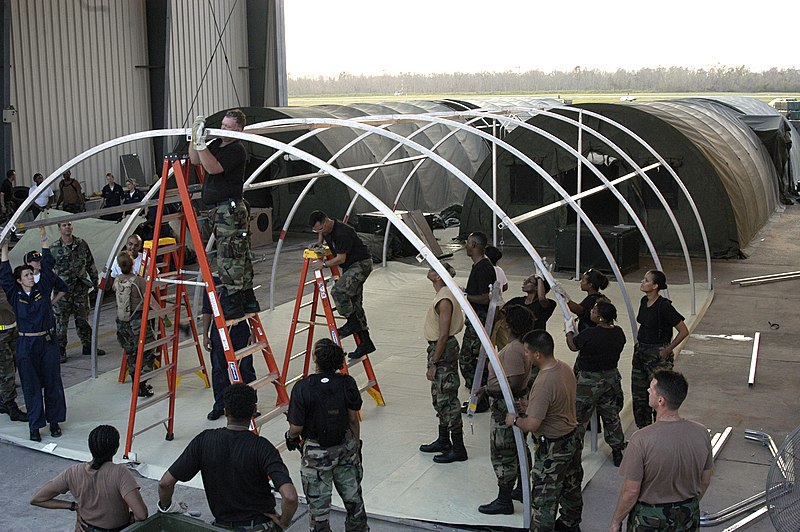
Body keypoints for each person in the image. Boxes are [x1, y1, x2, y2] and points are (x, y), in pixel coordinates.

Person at [159, 383, 298, 530]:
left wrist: (167, 507)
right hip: (259, 525)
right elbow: (290, 497)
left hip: (222, 527)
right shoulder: (263, 447)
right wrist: (284, 522)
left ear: (225, 411)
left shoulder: (204, 440)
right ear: (254, 411)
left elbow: (165, 483)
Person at [609, 370, 713, 531]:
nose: (648, 391)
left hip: (650, 520)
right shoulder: (701, 433)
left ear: (660, 400)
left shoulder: (641, 440)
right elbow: (705, 480)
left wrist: (616, 521)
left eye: (651, 389)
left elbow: (631, 491)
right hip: (688, 516)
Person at [286, 339, 368, 532]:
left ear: (316, 359)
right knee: (354, 502)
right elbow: (353, 420)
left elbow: (296, 428)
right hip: (345, 448)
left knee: (319, 510)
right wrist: (355, 445)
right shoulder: (347, 383)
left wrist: (290, 437)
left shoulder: (303, 387)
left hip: (316, 455)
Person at [505, 330, 583, 532]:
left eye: (527, 352)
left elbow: (532, 425)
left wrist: (515, 420)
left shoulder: (543, 382)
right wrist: (531, 407)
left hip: (553, 447)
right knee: (571, 486)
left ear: (537, 355)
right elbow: (558, 403)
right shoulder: (564, 368)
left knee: (544, 498)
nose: (525, 356)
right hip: (572, 438)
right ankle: (570, 524)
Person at [0, 227, 67, 441]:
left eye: (31, 274)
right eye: (27, 275)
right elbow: (4, 272)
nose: (31, 276)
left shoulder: (42, 288)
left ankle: (54, 421)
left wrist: (44, 236)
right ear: (19, 280)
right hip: (26, 345)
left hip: (47, 341)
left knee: (52, 382)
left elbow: (47, 265)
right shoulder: (14, 293)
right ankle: (35, 425)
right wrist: (4, 249)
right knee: (31, 386)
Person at [189, 109, 257, 319]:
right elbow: (195, 160)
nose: (224, 129)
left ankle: (234, 306)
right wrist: (195, 140)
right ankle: (242, 300)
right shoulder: (216, 144)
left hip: (229, 210)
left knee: (230, 258)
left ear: (239, 130)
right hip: (218, 211)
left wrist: (201, 146)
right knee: (231, 256)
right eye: (223, 125)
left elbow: (213, 168)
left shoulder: (236, 149)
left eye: (229, 127)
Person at [31, 424, 148, 531]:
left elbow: (38, 499)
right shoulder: (120, 473)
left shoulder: (73, 472)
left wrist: (74, 506)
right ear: (116, 449)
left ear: (90, 447)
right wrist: (131, 518)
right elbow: (141, 514)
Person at [478, 305, 534, 515]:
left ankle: (504, 499)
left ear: (509, 325)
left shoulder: (513, 350)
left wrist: (489, 388)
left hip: (505, 405)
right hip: (509, 401)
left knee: (503, 450)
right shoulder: (520, 346)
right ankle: (521, 488)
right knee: (517, 446)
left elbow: (514, 381)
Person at [566, 299, 627, 466]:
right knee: (611, 416)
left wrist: (569, 331)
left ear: (600, 317)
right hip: (611, 378)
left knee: (578, 418)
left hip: (588, 382)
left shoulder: (590, 334)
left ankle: (574, 454)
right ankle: (617, 450)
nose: (590, 312)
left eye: (594, 311)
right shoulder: (619, 333)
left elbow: (573, 346)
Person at [308, 210, 375, 359]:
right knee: (355, 304)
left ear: (326, 221)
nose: (319, 232)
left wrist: (323, 264)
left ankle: (352, 324)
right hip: (351, 266)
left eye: (320, 229)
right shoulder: (326, 230)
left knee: (338, 292)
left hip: (360, 264)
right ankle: (365, 342)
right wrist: (319, 242)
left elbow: (340, 259)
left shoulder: (343, 232)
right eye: (316, 230)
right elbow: (322, 234)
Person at [419, 262, 466, 464]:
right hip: (438, 348)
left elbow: (444, 333)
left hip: (442, 350)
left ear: (439, 276)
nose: (428, 272)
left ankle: (458, 447)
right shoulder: (444, 294)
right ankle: (443, 439)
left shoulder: (445, 299)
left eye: (432, 270)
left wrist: (434, 361)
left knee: (447, 399)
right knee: (439, 397)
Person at [632, 270, 689, 429]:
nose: (642, 282)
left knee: (660, 397)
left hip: (656, 355)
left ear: (655, 286)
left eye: (646, 280)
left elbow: (683, 331)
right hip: (641, 352)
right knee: (640, 397)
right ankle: (643, 431)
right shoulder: (644, 301)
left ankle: (661, 429)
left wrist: (666, 350)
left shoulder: (664, 307)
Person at [203, 276, 256, 420]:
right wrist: (205, 334)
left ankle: (249, 405)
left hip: (240, 328)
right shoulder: (212, 282)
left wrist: (253, 331)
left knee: (245, 367)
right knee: (219, 369)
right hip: (219, 330)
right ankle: (221, 405)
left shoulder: (241, 278)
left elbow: (251, 306)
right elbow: (207, 309)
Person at [51, 221, 106, 361]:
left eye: (69, 224)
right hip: (62, 292)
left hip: (80, 289)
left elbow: (90, 264)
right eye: (63, 225)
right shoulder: (53, 248)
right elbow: (48, 272)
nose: (67, 227)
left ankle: (88, 346)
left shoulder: (81, 244)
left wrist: (96, 284)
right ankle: (60, 351)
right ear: (59, 229)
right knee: (61, 323)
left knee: (82, 320)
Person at [113, 251, 156, 398]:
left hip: (122, 323)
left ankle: (135, 383)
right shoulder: (139, 281)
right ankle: (141, 383)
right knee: (148, 351)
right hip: (137, 321)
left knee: (131, 353)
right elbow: (150, 301)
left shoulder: (117, 281)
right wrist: (163, 315)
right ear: (133, 264)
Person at [459, 231, 496, 395]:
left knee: (468, 359)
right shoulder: (481, 266)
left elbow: (485, 298)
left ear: (474, 245)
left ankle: (479, 393)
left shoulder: (482, 269)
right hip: (478, 318)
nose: (466, 246)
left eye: (468, 242)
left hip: (480, 319)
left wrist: (466, 297)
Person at [0, 284, 27, 422]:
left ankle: (4, 400)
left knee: (14, 365)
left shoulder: (6, 283)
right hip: (1, 335)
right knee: (7, 372)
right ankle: (11, 406)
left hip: (13, 330)